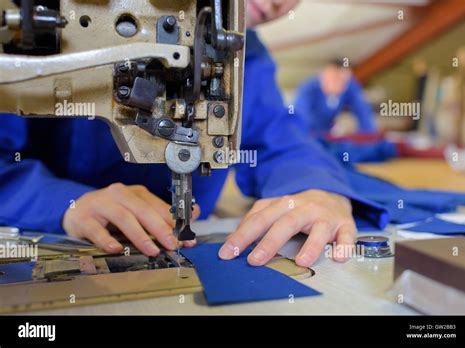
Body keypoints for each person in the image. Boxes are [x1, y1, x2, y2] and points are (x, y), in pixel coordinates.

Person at [0, 0, 386, 268]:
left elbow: (282, 139)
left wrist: (318, 190)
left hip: (186, 232)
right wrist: (66, 204)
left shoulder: (245, 54)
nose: (281, 5)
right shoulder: (45, 28)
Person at [294, 58, 376, 136]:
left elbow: (363, 112)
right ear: (323, 76)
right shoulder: (308, 89)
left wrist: (368, 138)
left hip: (328, 133)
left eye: (344, 80)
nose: (340, 84)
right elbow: (300, 118)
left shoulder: (350, 87)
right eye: (335, 79)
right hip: (309, 133)